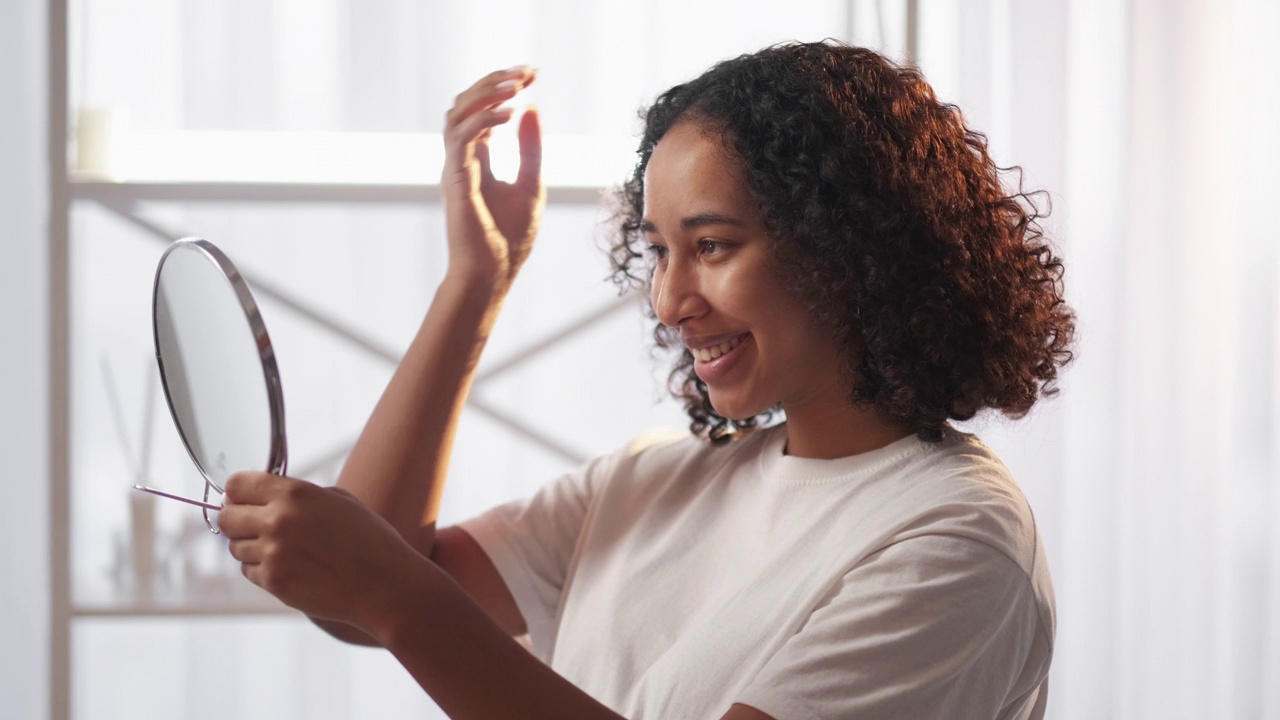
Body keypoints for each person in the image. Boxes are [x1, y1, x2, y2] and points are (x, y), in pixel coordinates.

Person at [216, 41, 1075, 719]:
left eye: (711, 246)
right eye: (659, 250)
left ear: (848, 247)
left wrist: (400, 596)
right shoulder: (651, 483)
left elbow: (388, 587)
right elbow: (354, 600)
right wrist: (475, 280)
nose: (669, 300)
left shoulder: (956, 541)